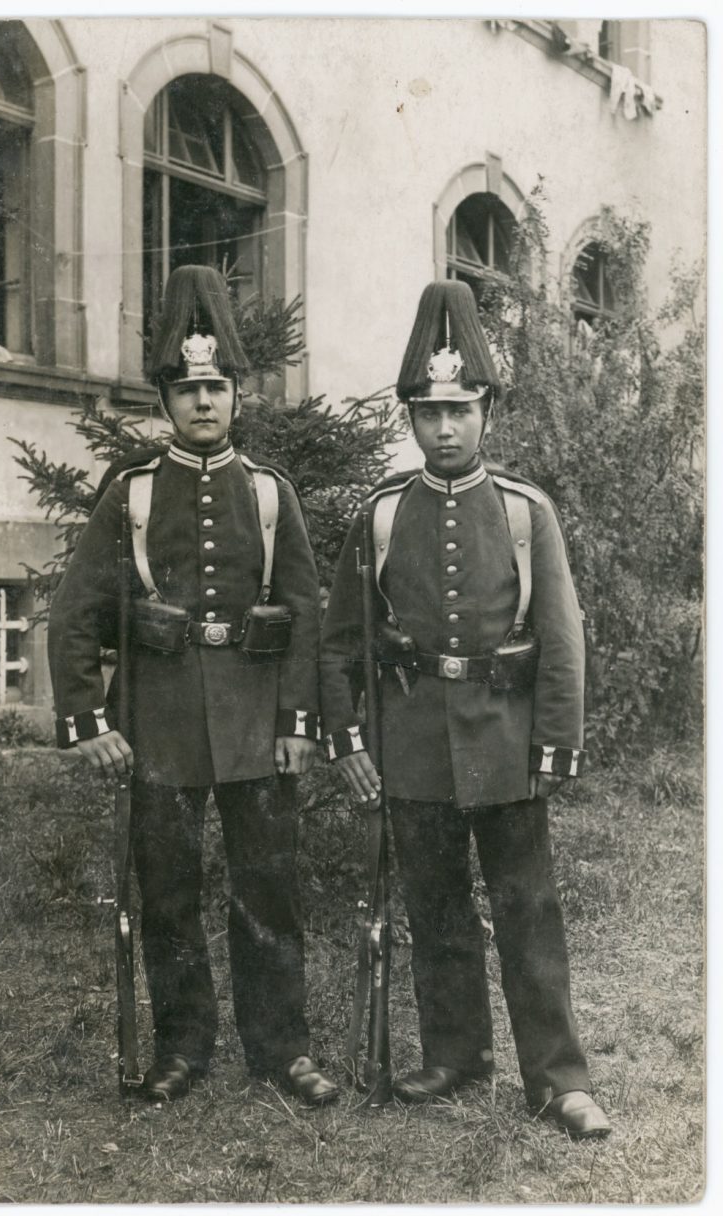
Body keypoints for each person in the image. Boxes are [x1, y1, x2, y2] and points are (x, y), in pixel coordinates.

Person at [319, 280, 610, 1137]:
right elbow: (339, 641)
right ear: (409, 416)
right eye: (428, 411)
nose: (445, 428)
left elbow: (562, 643)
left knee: (528, 910)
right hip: (413, 743)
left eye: (461, 408)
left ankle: (558, 1078)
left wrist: (555, 748)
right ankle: (455, 1054)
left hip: (507, 743)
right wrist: (345, 740)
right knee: (436, 904)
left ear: (488, 411)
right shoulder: (379, 517)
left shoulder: (526, 513)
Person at [48, 265, 338, 1107]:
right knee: (169, 893)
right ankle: (182, 1045)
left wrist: (297, 721)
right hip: (160, 726)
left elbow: (306, 616)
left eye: (216, 386)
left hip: (257, 725)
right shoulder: (133, 494)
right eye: (186, 388)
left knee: (268, 889)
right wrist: (86, 722)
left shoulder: (269, 493)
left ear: (238, 395)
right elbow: (75, 617)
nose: (202, 402)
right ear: (165, 400)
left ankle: (281, 1048)